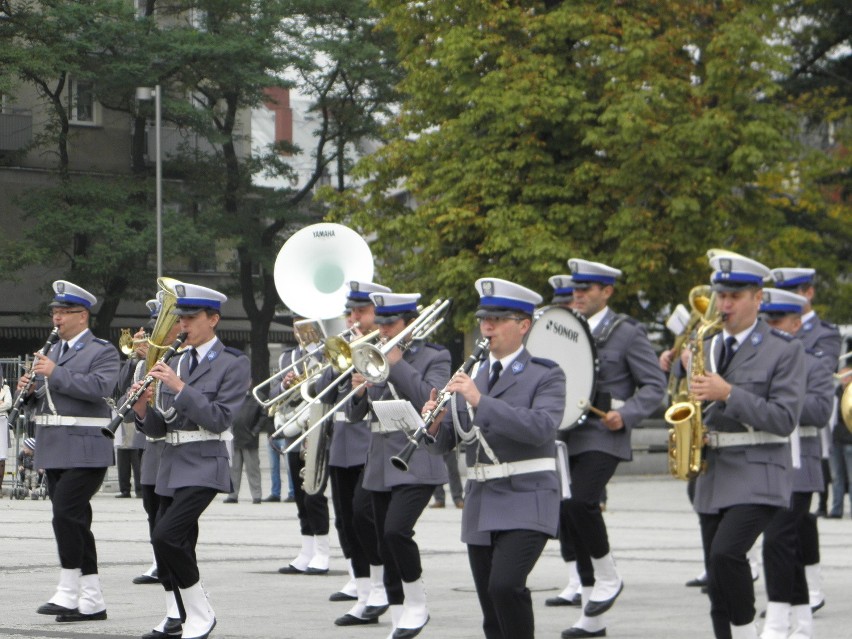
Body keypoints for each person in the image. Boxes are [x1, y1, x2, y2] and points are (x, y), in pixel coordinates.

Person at [423, 277, 566, 639]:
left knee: (506, 586)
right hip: (482, 502)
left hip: (527, 496)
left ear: (523, 325)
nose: (487, 326)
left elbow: (541, 428)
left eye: (499, 318)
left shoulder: (545, 375)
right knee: (490, 604)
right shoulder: (474, 375)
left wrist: (479, 401)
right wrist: (432, 425)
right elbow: (446, 445)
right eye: (484, 318)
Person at [689, 253, 805, 639]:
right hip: (713, 472)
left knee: (726, 554)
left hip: (759, 471)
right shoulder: (706, 343)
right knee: (716, 577)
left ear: (758, 298)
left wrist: (728, 394)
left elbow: (784, 418)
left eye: (734, 296)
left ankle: (746, 631)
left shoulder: (785, 350)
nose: (723, 304)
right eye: (720, 295)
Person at [131, 282, 250, 639]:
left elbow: (218, 418)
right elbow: (158, 426)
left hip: (204, 462)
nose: (182, 325)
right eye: (180, 318)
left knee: (167, 537)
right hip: (171, 463)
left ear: (213, 319)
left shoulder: (233, 363)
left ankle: (201, 613)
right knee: (172, 542)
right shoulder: (177, 360)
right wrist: (140, 407)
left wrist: (180, 388)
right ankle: (183, 618)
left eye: (191, 318)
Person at [558, 259, 667, 639]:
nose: (579, 293)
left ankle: (608, 575)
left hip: (604, 433)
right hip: (567, 434)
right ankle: (592, 618)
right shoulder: (564, 328)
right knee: (568, 517)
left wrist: (629, 414)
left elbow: (655, 386)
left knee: (580, 503)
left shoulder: (627, 333)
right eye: (577, 287)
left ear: (607, 292)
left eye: (587, 288)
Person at [346, 291, 451, 638]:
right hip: (380, 460)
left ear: (410, 322)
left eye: (391, 323)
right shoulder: (370, 354)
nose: (384, 329)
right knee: (376, 533)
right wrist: (359, 391)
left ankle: (417, 601)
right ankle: (396, 612)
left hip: (416, 455)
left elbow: (429, 401)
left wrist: (395, 361)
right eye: (381, 323)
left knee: (395, 531)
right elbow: (355, 414)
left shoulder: (436, 356)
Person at [18, 280, 120, 623]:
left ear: (82, 315)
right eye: (54, 312)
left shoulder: (102, 350)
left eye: (63, 312)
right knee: (77, 522)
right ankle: (92, 601)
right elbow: (49, 396)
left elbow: (100, 388)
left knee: (64, 513)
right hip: (55, 446)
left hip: (87, 447)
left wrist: (55, 373)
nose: (56, 319)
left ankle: (67, 588)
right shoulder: (54, 351)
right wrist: (30, 389)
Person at [313, 281, 392, 624]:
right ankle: (363, 593)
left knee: (365, 517)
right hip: (341, 445)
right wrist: (336, 364)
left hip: (370, 443)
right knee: (345, 521)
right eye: (350, 312)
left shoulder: (388, 347)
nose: (353, 318)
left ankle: (383, 585)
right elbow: (321, 393)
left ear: (378, 313)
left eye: (361, 311)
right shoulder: (342, 346)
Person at [758, 288, 833, 638]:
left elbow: (819, 411)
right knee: (789, 545)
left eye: (778, 321)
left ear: (796, 322)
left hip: (799, 466)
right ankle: (801, 624)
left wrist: (778, 404)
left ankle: (776, 621)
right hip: (762, 464)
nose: (771, 327)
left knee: (776, 541)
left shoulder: (814, 363)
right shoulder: (756, 360)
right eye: (766, 320)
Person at [275, 326, 333, 576]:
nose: (302, 328)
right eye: (297, 322)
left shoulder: (328, 352)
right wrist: (285, 385)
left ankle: (323, 551)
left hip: (320, 427)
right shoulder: (286, 357)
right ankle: (306, 550)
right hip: (296, 427)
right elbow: (275, 391)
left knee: (314, 493)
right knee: (300, 495)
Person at [223, 385, 268, 504]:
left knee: (253, 469)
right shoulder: (232, 395)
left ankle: (257, 496)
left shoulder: (258, 396)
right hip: (234, 438)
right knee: (234, 469)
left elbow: (264, 414)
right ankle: (232, 495)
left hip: (250, 440)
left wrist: (255, 431)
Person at [0, 373, 11, 497]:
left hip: (2, 422)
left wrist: (3, 403)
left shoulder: (6, 389)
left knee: (1, 457)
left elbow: (8, 404)